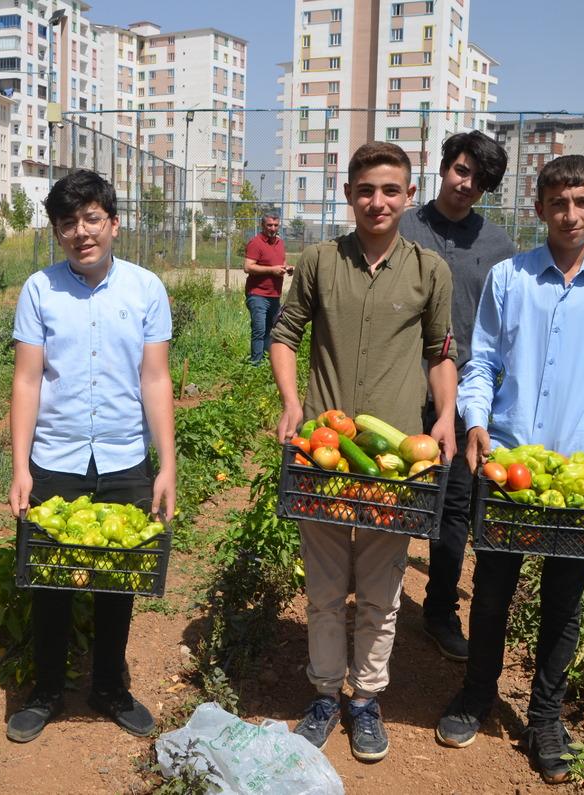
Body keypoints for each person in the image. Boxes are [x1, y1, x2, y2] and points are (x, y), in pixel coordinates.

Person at [435, 155, 584, 784]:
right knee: (493, 588)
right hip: (511, 462)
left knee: (564, 600)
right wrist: (475, 421)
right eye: (558, 204)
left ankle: (545, 716)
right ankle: (477, 694)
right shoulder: (510, 278)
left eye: (583, 202)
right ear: (538, 209)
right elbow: (479, 363)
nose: (571, 215)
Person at [270, 142, 458, 761]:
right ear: (349, 195)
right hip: (323, 449)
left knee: (380, 588)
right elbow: (285, 332)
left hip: (395, 463)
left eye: (390, 190)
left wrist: (448, 418)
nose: (378, 201)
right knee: (325, 588)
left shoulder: (429, 270)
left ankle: (366, 698)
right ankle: (325, 693)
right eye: (365, 190)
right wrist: (292, 401)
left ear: (408, 195)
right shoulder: (320, 261)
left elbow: (440, 354)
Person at [6, 169, 177, 743]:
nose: (81, 232)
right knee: (50, 579)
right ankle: (48, 689)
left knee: (118, 579)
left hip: (125, 457)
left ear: (113, 223)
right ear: (57, 232)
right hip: (56, 457)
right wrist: (20, 467)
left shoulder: (145, 289)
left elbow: (155, 379)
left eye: (91, 219)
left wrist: (166, 464)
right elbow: (27, 381)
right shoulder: (39, 290)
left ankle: (108, 684)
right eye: (68, 223)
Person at [398, 130, 517, 662]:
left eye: (480, 180)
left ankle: (440, 609)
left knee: (453, 507)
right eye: (462, 171)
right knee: (390, 493)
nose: (467, 185)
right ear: (443, 166)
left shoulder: (498, 248)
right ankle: (375, 602)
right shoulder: (401, 226)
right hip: (397, 386)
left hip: (465, 391)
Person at [242, 211, 290, 365]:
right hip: (258, 295)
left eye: (276, 225)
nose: (273, 228)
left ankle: (269, 364)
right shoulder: (256, 243)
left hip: (274, 295)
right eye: (269, 225)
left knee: (272, 331)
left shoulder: (280, 243)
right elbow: (248, 267)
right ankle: (256, 365)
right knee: (259, 330)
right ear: (262, 225)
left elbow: (280, 263)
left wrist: (286, 268)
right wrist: (272, 270)